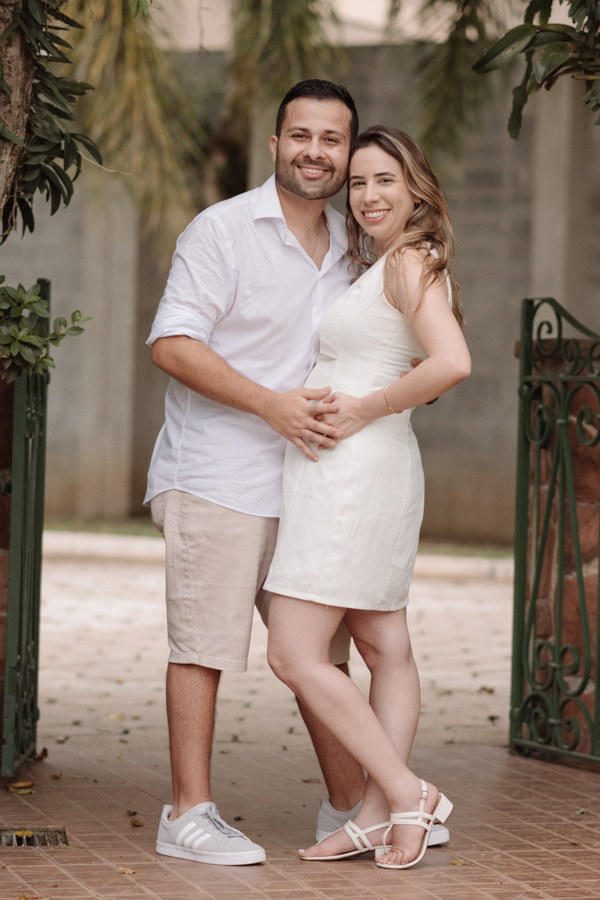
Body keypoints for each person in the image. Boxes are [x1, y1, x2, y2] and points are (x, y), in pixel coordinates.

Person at [146, 79, 369, 867]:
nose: (315, 151)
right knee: (205, 645)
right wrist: (270, 405)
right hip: (215, 471)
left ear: (348, 153)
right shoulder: (222, 231)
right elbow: (172, 345)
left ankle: (349, 809)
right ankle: (188, 813)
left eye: (332, 139)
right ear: (274, 145)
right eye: (300, 135)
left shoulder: (353, 244)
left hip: (306, 481)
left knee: (319, 651)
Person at [265, 125, 471, 869]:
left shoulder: (409, 261)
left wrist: (366, 407)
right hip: (355, 471)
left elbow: (451, 362)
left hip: (358, 471)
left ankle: (405, 791)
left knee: (293, 652)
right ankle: (383, 818)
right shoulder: (387, 264)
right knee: (385, 646)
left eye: (385, 179)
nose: (368, 195)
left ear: (416, 186)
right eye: (357, 183)